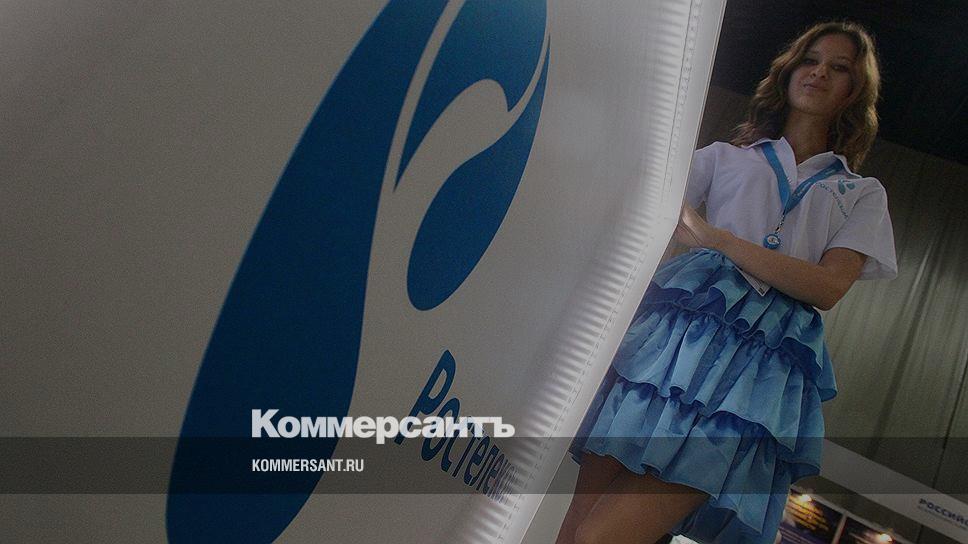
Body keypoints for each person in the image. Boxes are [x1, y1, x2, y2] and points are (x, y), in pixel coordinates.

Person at [556, 21, 898, 544]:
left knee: (599, 538)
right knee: (574, 532)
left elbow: (829, 287)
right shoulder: (723, 157)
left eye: (839, 68)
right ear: (789, 70)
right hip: (667, 349)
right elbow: (650, 214)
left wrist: (719, 240)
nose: (819, 73)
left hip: (753, 376)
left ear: (855, 90)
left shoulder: (861, 192)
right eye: (810, 60)